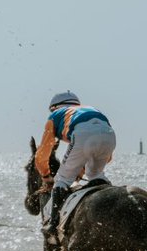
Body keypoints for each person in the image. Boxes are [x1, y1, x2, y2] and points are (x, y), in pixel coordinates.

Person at [34, 91, 116, 236]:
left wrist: (46, 175)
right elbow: (108, 158)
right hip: (109, 135)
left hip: (82, 134)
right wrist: (82, 168)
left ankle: (53, 226)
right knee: (95, 174)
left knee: (62, 180)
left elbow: (42, 154)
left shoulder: (55, 115)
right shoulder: (91, 109)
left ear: (54, 107)